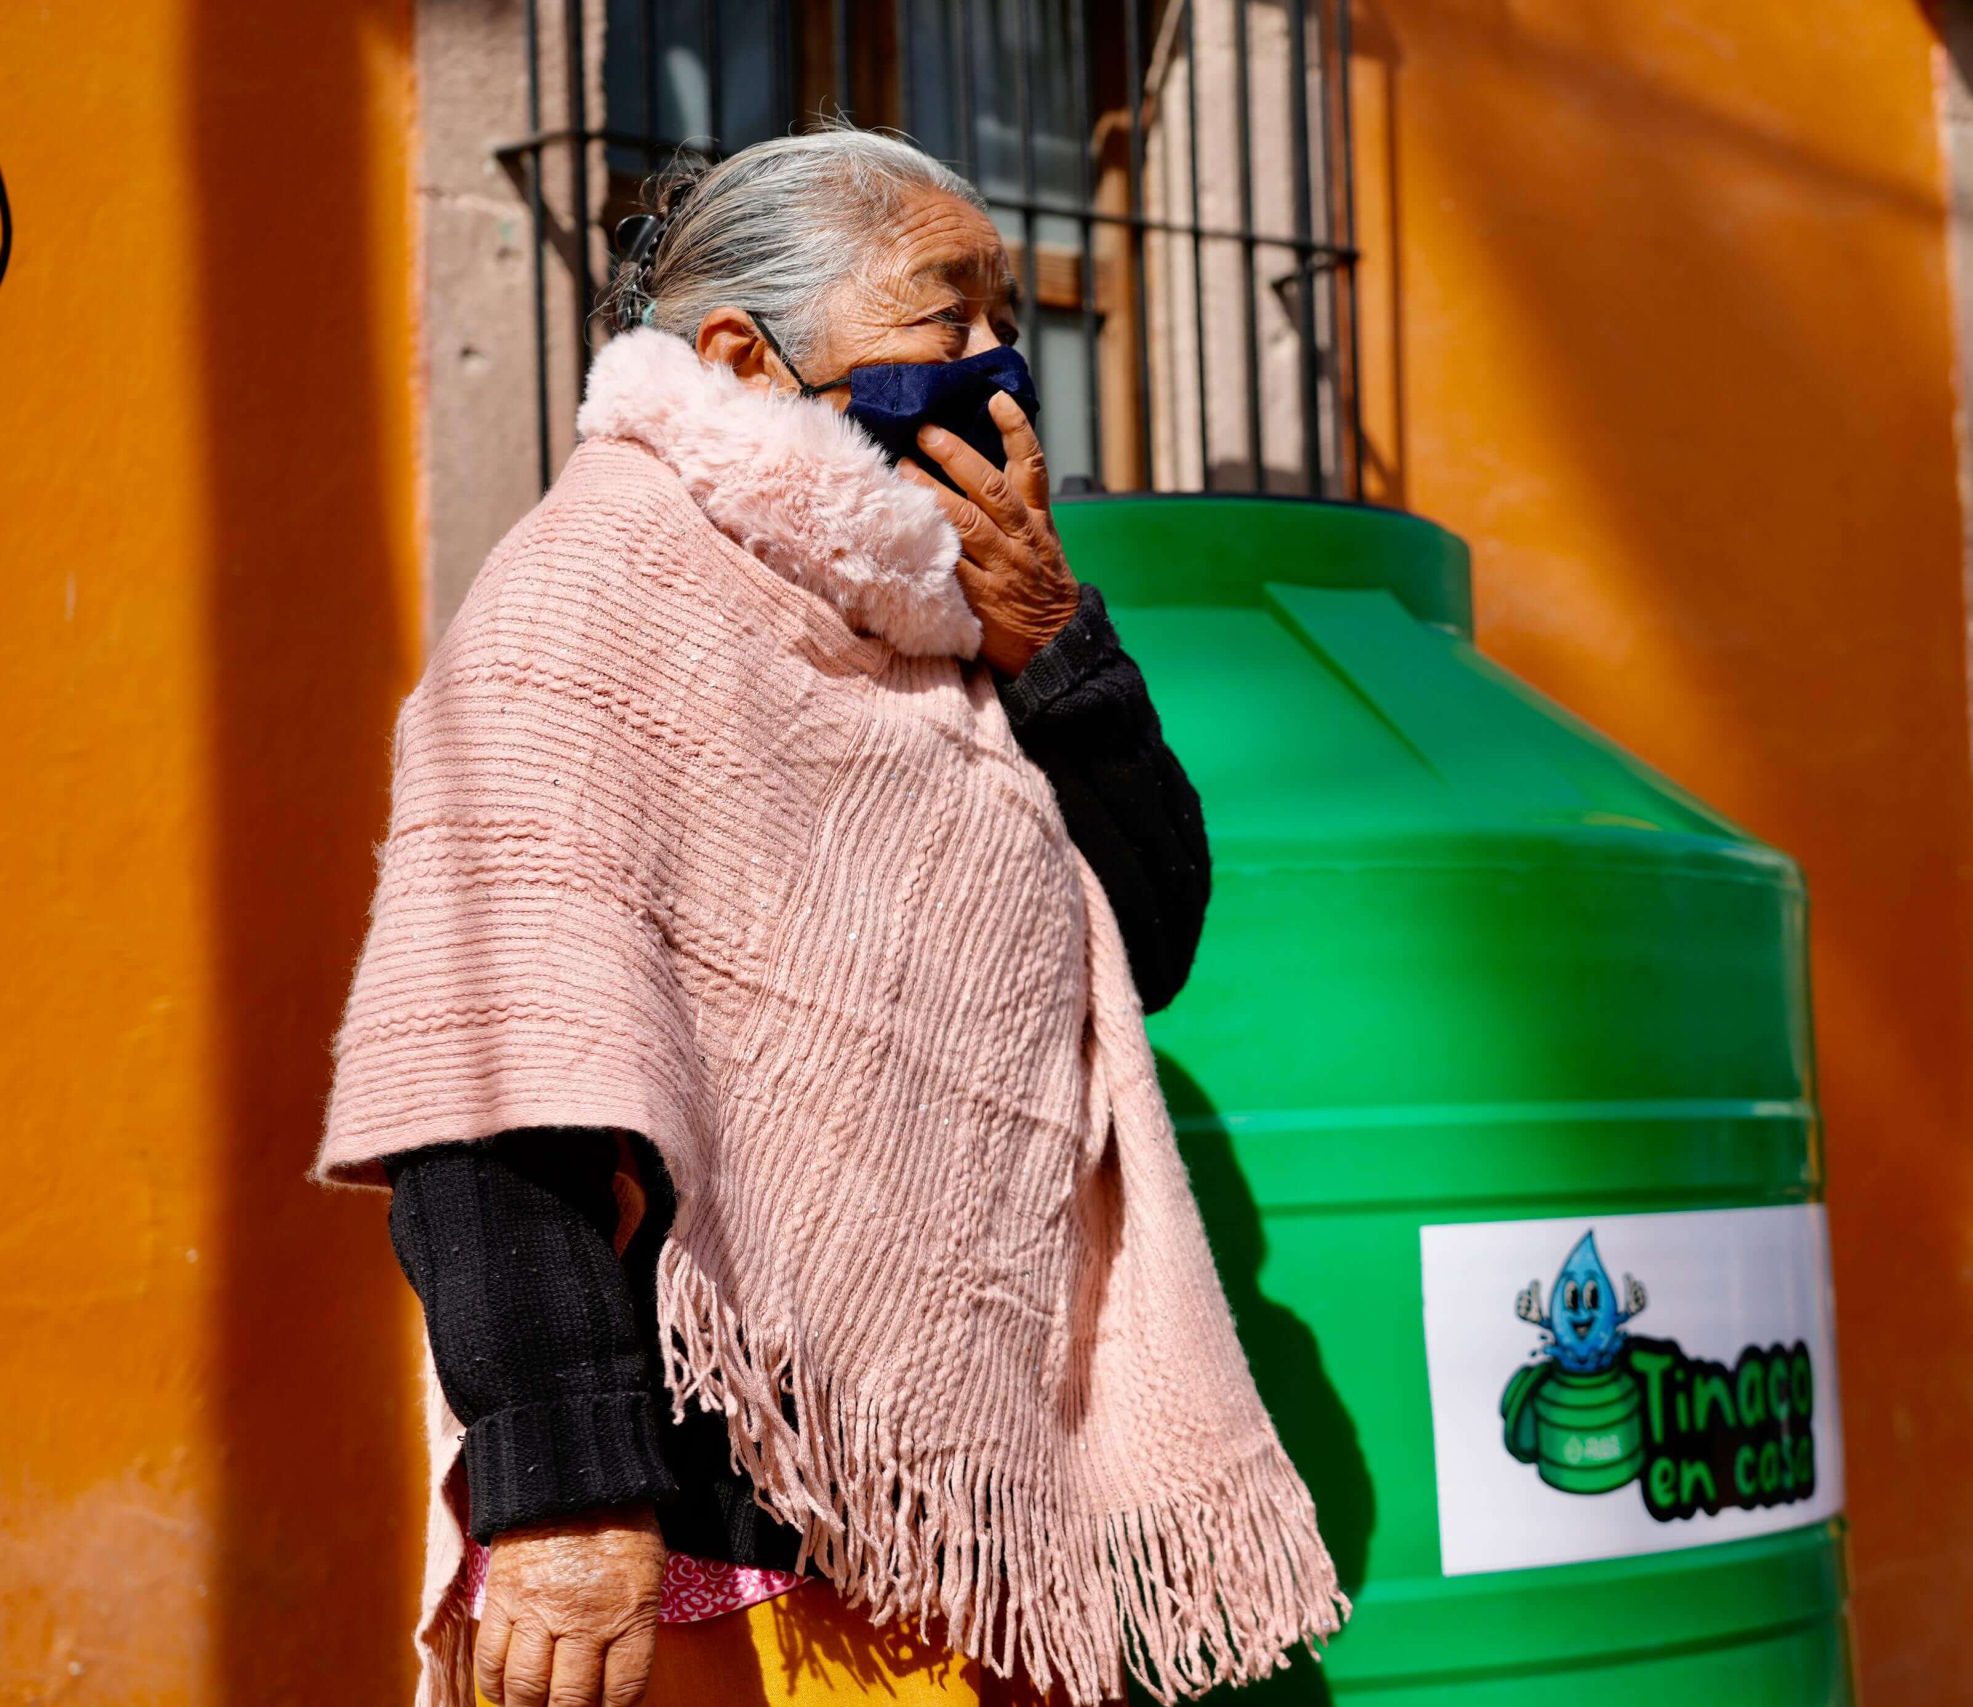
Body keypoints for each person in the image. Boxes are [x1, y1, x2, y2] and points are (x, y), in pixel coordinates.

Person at [313, 124, 1343, 1707]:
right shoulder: (590, 594)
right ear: (743, 354)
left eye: (1013, 309)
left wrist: (1059, 658)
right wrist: (569, 1498)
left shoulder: (963, 611)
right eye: (952, 313)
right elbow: (495, 1065)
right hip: (715, 1532)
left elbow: (1154, 936)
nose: (1005, 361)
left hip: (974, 1524)